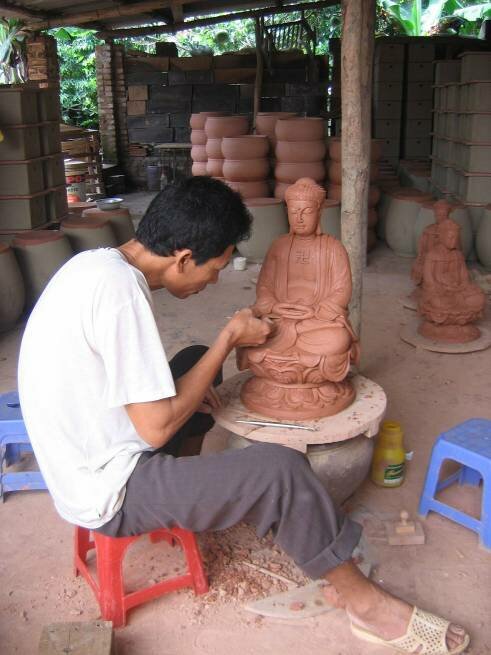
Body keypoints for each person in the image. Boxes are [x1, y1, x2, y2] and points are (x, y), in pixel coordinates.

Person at [18, 177, 469, 654]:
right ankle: (365, 604)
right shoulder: (120, 295)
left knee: (195, 360)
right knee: (280, 469)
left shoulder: (99, 265)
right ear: (184, 257)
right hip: (108, 488)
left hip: (85, 447)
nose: (215, 279)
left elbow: (331, 302)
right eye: (214, 268)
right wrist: (229, 338)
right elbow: (154, 426)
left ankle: (190, 489)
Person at [238, 178, 359, 420]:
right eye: (294, 212)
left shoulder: (333, 248)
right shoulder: (278, 246)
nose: (300, 218)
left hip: (315, 323)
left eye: (306, 211)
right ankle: (299, 374)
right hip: (279, 319)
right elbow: (264, 288)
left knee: (338, 339)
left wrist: (315, 311)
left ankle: (286, 376)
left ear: (320, 212)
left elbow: (341, 291)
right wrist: (275, 306)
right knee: (249, 335)